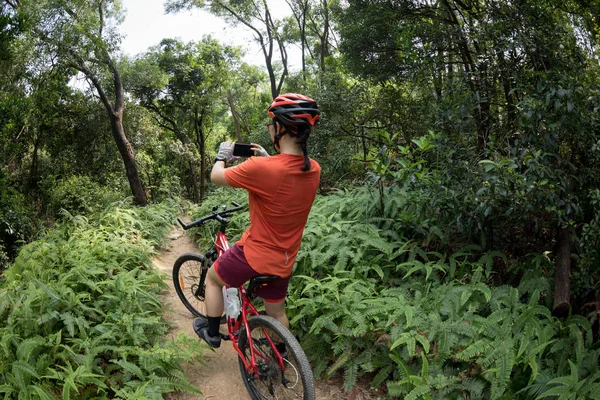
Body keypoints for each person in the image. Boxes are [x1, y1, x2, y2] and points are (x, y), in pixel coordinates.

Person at [193, 93, 321, 349]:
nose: (269, 128)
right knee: (276, 311)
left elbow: (216, 176)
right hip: (284, 258)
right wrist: (267, 158)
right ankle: (282, 354)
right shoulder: (314, 169)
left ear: (282, 128)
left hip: (254, 254)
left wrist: (222, 154)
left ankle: (212, 334)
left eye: (271, 123)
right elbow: (284, 179)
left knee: (213, 279)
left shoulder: (261, 168)